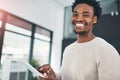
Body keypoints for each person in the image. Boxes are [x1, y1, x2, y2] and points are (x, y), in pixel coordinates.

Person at [37, 0, 120, 80]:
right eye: (75, 14)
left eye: (85, 15)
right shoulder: (68, 49)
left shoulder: (106, 50)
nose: (79, 19)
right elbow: (64, 77)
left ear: (94, 19)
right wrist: (52, 75)